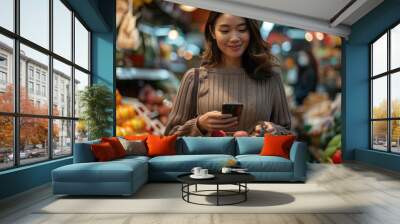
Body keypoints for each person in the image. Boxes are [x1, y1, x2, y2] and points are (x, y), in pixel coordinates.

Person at [164, 12, 291, 136]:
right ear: (213, 32)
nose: (234, 38)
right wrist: (199, 124)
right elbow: (170, 135)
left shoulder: (270, 78)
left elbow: (287, 132)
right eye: (225, 31)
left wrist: (273, 130)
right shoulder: (194, 78)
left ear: (251, 32)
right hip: (208, 157)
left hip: (257, 157)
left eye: (242, 30)